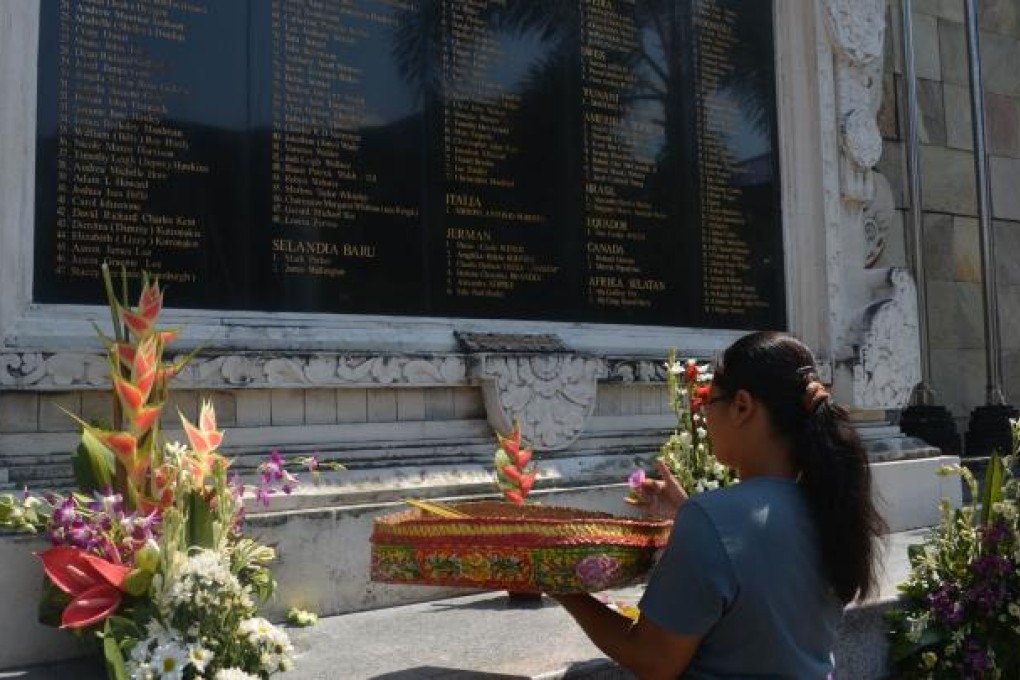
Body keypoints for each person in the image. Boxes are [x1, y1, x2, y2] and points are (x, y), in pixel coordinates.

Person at [551, 331, 886, 679]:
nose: (705, 418)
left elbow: (653, 659)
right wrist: (691, 513)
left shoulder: (713, 519)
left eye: (709, 402)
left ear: (742, 406)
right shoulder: (829, 503)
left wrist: (565, 589)